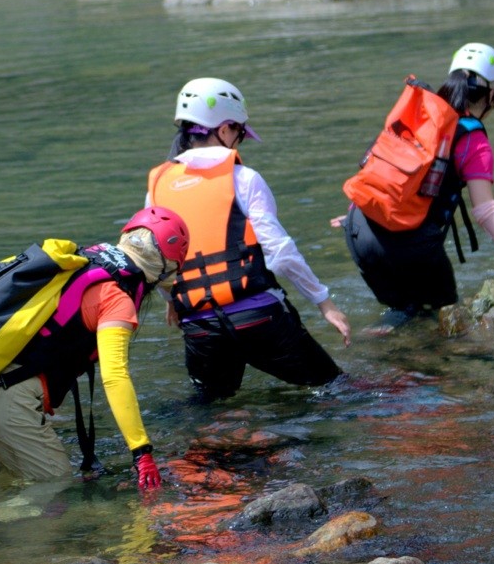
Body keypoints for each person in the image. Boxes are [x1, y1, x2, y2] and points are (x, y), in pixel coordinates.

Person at [0, 209, 189, 495]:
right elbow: (115, 377)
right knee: (55, 486)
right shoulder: (116, 297)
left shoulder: (85, 261)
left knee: (17, 485)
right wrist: (141, 451)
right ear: (166, 266)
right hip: (6, 409)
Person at [147, 78, 350, 401]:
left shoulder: (157, 185)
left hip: (201, 328)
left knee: (211, 409)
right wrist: (325, 303)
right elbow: (280, 252)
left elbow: (153, 259)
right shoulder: (244, 179)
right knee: (338, 389)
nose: (239, 141)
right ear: (225, 129)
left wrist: (172, 301)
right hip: (259, 319)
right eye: (239, 132)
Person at [342, 42, 494, 322]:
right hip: (408, 247)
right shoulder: (473, 138)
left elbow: (381, 166)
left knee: (402, 314)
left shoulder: (420, 114)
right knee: (448, 319)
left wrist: (360, 213)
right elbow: (484, 209)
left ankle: (388, 352)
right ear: (492, 94)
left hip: (357, 228)